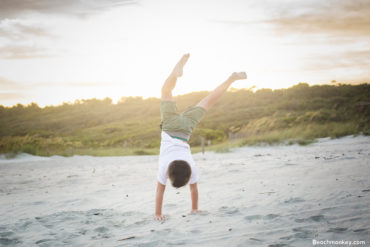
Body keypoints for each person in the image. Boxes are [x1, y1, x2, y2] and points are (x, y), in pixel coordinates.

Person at [155, 53, 247, 220]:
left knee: (208, 100)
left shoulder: (192, 167)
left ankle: (230, 80)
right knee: (166, 91)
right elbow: (160, 192)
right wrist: (158, 214)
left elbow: (194, 189)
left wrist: (195, 209)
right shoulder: (164, 169)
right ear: (169, 174)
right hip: (168, 127)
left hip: (185, 131)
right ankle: (176, 74)